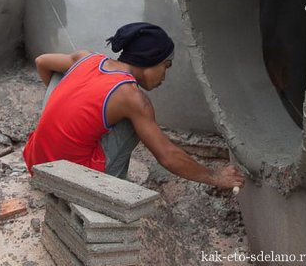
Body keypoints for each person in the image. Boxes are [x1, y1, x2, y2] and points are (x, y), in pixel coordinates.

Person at [23, 22, 245, 190]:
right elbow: (166, 155)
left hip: (36, 164)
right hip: (68, 184)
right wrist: (215, 177)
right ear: (150, 60)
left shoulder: (86, 59)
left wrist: (64, 103)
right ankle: (112, 194)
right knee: (134, 122)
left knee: (64, 77)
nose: (164, 77)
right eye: (166, 66)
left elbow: (42, 62)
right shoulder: (132, 97)